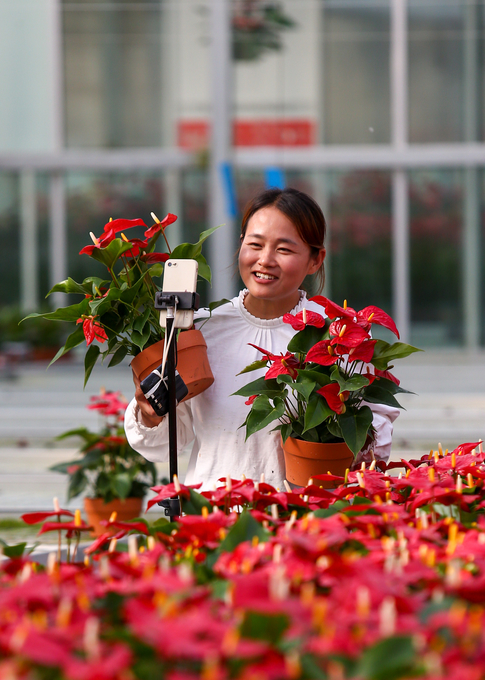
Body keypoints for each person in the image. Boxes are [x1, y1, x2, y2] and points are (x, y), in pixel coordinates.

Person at [124, 187, 398, 490]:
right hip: (212, 515)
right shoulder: (199, 330)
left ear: (315, 260)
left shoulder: (339, 335)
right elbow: (165, 444)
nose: (265, 260)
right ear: (241, 245)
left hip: (301, 521)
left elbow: (369, 437)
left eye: (284, 249)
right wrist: (150, 415)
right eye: (255, 244)